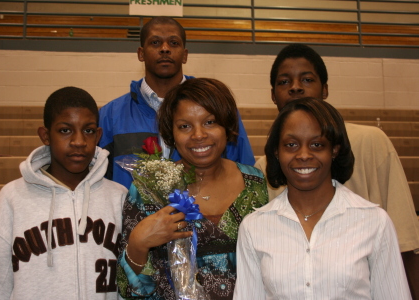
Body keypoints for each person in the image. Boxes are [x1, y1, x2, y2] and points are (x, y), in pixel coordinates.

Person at [234, 97, 411, 299]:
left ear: (334, 150)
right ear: (277, 152)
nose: (303, 155)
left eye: (317, 144)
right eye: (291, 144)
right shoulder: (254, 227)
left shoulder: (374, 222)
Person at [254, 44, 419, 254]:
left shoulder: (372, 141)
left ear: (325, 89)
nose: (295, 87)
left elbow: (404, 240)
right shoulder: (265, 165)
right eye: (284, 82)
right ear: (273, 95)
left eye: (307, 79)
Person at [117, 78, 269, 300]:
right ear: (172, 134)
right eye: (185, 126)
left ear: (227, 126)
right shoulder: (149, 189)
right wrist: (138, 244)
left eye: (209, 122)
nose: (198, 135)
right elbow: (127, 289)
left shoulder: (254, 182)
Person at [0, 87, 128, 299]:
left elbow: (130, 282)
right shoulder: (12, 198)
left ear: (98, 135)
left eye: (88, 130)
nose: (79, 141)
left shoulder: (118, 197)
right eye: (65, 130)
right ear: (45, 135)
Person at [99, 16, 255, 189]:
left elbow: (245, 173)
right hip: (131, 215)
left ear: (185, 55)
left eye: (173, 43)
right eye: (155, 43)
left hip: (206, 214)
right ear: (141, 54)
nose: (165, 49)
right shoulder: (110, 115)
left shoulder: (217, 106)